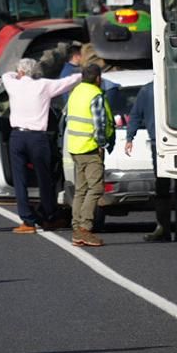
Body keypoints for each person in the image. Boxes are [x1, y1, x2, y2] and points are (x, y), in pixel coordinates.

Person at [1, 57, 82, 233]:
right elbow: (68, 82)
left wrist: (18, 73)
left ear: (21, 72)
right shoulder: (43, 85)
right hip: (38, 137)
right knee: (45, 178)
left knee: (20, 179)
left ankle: (27, 221)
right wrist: (84, 74)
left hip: (17, 136)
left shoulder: (12, 84)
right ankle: (50, 215)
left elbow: (6, 75)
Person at [125, 82, 177, 242]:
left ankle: (165, 229)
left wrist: (130, 137)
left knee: (164, 186)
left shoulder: (147, 89)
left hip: (162, 143)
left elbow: (135, 115)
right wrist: (129, 137)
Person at [65, 63, 114, 248]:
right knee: (96, 188)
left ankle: (77, 228)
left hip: (75, 147)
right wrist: (103, 144)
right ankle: (85, 228)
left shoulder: (76, 91)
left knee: (81, 189)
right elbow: (99, 123)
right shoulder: (95, 94)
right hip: (90, 147)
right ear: (98, 78)